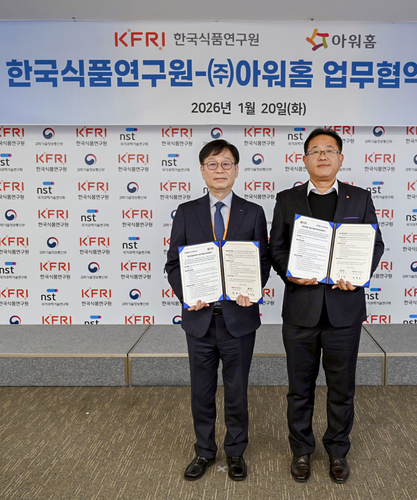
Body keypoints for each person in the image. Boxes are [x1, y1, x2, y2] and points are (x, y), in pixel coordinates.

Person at [269, 128, 384, 484]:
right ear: (304, 160)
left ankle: (337, 451)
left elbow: (374, 244)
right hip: (301, 310)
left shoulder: (359, 198)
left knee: (342, 388)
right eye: (315, 151)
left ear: (340, 158)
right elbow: (276, 248)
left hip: (343, 310)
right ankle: (301, 450)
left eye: (329, 150)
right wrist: (291, 273)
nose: (322, 156)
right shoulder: (287, 199)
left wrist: (358, 274)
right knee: (299, 388)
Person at [165, 139, 270, 482]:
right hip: (199, 319)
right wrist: (188, 295)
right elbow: (174, 264)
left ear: (236, 170)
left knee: (237, 391)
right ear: (202, 171)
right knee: (202, 391)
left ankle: (236, 451)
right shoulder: (186, 211)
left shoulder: (253, 212)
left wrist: (252, 290)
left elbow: (262, 261)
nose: (220, 170)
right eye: (213, 164)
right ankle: (204, 451)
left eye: (226, 164)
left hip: (238, 319)